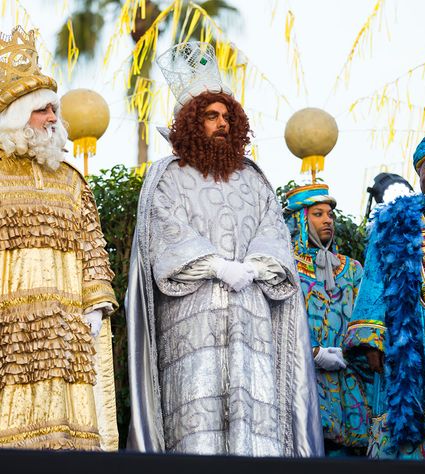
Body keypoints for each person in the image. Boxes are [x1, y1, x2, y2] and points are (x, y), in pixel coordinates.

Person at [126, 41, 323, 456]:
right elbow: (165, 234)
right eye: (211, 116)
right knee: (195, 425)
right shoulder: (167, 176)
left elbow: (273, 231)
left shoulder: (253, 177)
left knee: (256, 424)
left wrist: (254, 265)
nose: (222, 124)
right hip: (191, 319)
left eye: (227, 117)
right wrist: (215, 265)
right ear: (190, 122)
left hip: (251, 314)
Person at [344, 63, 425, 459]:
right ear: (418, 173)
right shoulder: (393, 222)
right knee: (409, 432)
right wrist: (372, 338)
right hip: (412, 331)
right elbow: (377, 280)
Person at [0, 26, 118, 450]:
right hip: (8, 331)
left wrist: (96, 301)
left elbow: (92, 245)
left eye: (54, 110)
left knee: (68, 435)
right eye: (43, 110)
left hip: (66, 332)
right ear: (16, 116)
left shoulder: (72, 180)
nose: (54, 118)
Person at [285, 184, 369, 455]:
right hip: (303, 379)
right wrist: (314, 353)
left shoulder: (352, 269)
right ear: (300, 220)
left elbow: (365, 322)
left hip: (348, 379)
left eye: (330, 214)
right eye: (318, 214)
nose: (328, 221)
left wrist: (353, 353)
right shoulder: (284, 268)